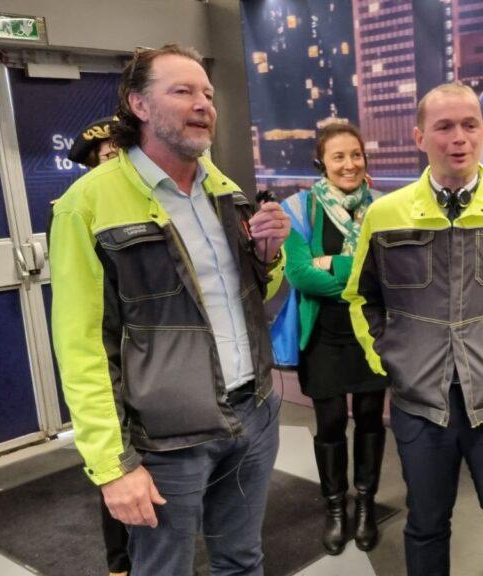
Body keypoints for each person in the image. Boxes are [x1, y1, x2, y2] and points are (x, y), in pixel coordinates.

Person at [49, 44, 290, 576]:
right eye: (182, 91)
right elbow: (81, 346)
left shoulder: (225, 191)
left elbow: (253, 297)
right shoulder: (86, 205)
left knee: (243, 560)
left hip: (253, 413)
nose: (203, 103)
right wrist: (113, 465)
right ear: (138, 104)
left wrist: (269, 256)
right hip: (165, 437)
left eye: (207, 93)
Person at [342, 82, 483, 576]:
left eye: (469, 125)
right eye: (444, 127)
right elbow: (362, 296)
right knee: (426, 524)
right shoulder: (385, 214)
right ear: (419, 136)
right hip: (420, 403)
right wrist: (390, 358)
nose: (458, 138)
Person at [273, 122, 388, 554]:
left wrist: (333, 264)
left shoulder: (382, 206)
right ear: (321, 162)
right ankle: (336, 507)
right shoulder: (298, 208)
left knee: (372, 420)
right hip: (323, 336)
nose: (349, 164)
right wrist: (356, 273)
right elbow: (300, 275)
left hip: (371, 335)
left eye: (356, 154)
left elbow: (388, 275)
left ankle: (366, 505)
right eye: (338, 156)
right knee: (331, 423)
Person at [62, 116, 126, 576]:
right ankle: (121, 564)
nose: (115, 163)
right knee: (119, 470)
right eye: (107, 157)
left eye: (122, 153)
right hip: (112, 354)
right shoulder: (78, 211)